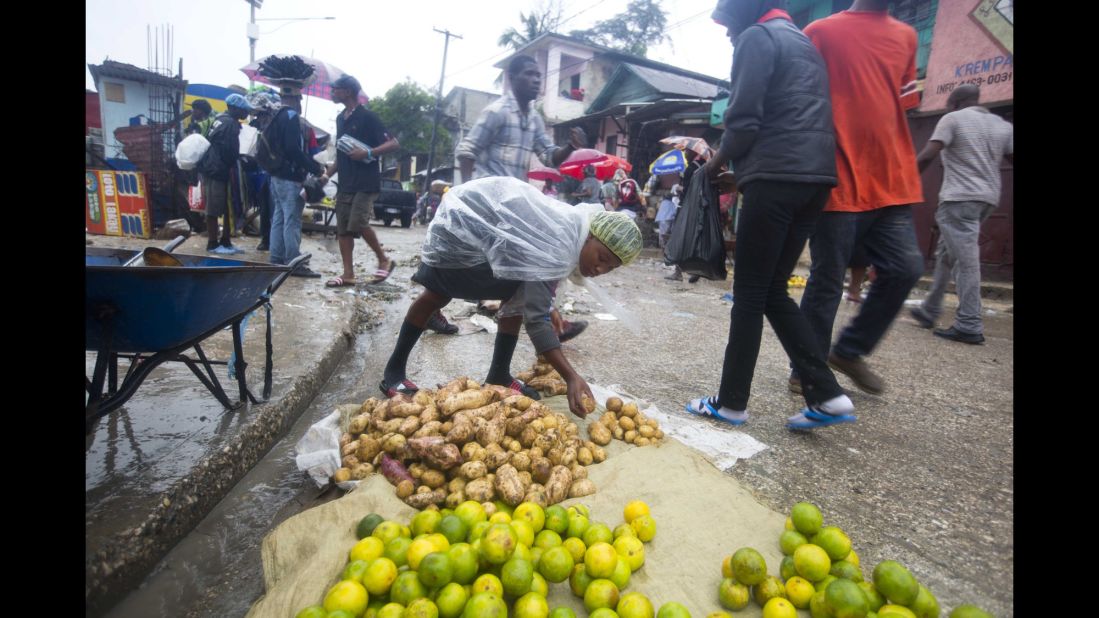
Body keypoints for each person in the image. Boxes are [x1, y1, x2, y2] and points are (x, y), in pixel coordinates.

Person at [686, 0, 855, 431]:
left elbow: (743, 124)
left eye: (728, 24)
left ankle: (731, 402)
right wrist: (744, 176)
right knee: (772, 291)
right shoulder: (801, 42)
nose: (727, 33)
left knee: (748, 295)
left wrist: (712, 164)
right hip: (813, 182)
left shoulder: (756, 38)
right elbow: (790, 121)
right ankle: (828, 395)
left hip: (776, 182)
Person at [378, 177, 642, 417]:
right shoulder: (560, 245)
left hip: (493, 236)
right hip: (460, 228)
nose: (600, 269)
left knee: (516, 294)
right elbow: (536, 321)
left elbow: (537, 295)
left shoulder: (571, 240)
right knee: (437, 294)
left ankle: (499, 375)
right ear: (590, 237)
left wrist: (548, 308)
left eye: (611, 268)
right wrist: (571, 376)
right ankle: (394, 372)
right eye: (602, 258)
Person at [791, 0, 927, 395]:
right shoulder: (822, 32)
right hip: (837, 176)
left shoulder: (907, 35)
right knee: (827, 280)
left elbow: (903, 106)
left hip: (891, 178)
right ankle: (805, 369)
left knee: (905, 268)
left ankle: (848, 351)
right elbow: (798, 100)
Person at [456, 54, 591, 344]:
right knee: (489, 263)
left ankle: (551, 323)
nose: (535, 81)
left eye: (538, 76)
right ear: (512, 78)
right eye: (529, 75)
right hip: (490, 203)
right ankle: (552, 323)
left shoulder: (533, 119)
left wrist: (569, 146)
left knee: (526, 263)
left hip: (516, 205)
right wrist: (467, 196)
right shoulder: (496, 112)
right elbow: (467, 150)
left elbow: (548, 155)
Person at [910, 84, 1013, 344]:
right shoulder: (1002, 126)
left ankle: (969, 323)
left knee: (965, 261)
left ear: (954, 103)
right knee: (946, 254)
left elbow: (928, 155)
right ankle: (930, 310)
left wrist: (903, 181)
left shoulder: (952, 118)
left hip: (959, 199)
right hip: (987, 200)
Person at [322, 74, 401, 289]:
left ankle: (383, 259)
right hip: (346, 181)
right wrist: (326, 175)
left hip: (366, 182)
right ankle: (348, 274)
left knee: (357, 222)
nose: (333, 92)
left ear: (347, 91)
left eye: (336, 89)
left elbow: (393, 143)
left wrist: (369, 151)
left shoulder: (368, 117)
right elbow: (341, 152)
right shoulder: (341, 119)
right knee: (343, 229)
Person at [264, 84, 327, 277]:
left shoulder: (275, 116)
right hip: (290, 177)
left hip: (276, 176)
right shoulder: (291, 117)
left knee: (279, 218)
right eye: (299, 100)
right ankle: (294, 263)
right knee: (291, 220)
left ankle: (276, 259)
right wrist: (315, 168)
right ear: (295, 99)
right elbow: (293, 150)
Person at [200, 94, 253, 255]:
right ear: (235, 109)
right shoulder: (230, 124)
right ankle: (212, 243)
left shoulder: (220, 118)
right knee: (214, 208)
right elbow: (229, 151)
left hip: (213, 167)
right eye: (244, 111)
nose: (246, 115)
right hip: (217, 170)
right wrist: (239, 162)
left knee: (225, 206)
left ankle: (226, 240)